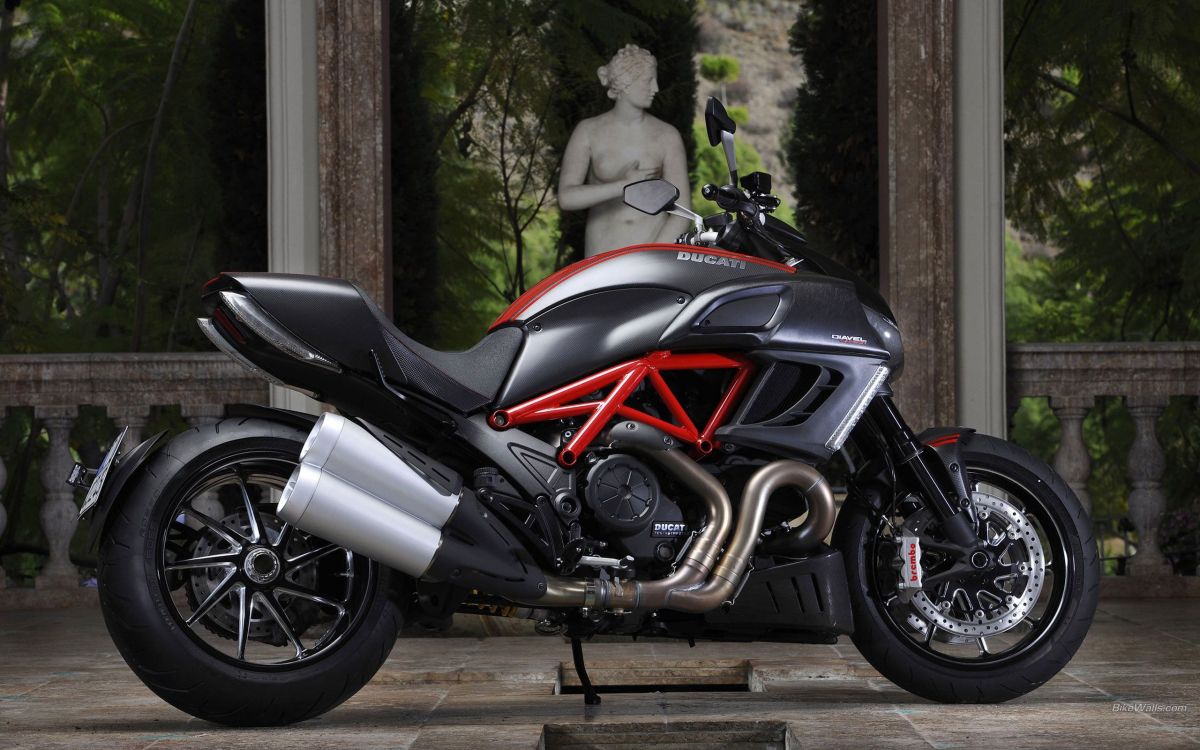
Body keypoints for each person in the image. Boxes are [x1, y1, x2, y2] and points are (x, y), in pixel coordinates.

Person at [558, 44, 691, 258]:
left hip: (650, 258)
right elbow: (567, 197)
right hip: (601, 255)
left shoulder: (667, 136)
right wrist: (623, 186)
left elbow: (682, 213)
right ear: (626, 83)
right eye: (648, 81)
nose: (655, 88)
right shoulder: (589, 131)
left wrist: (651, 257)